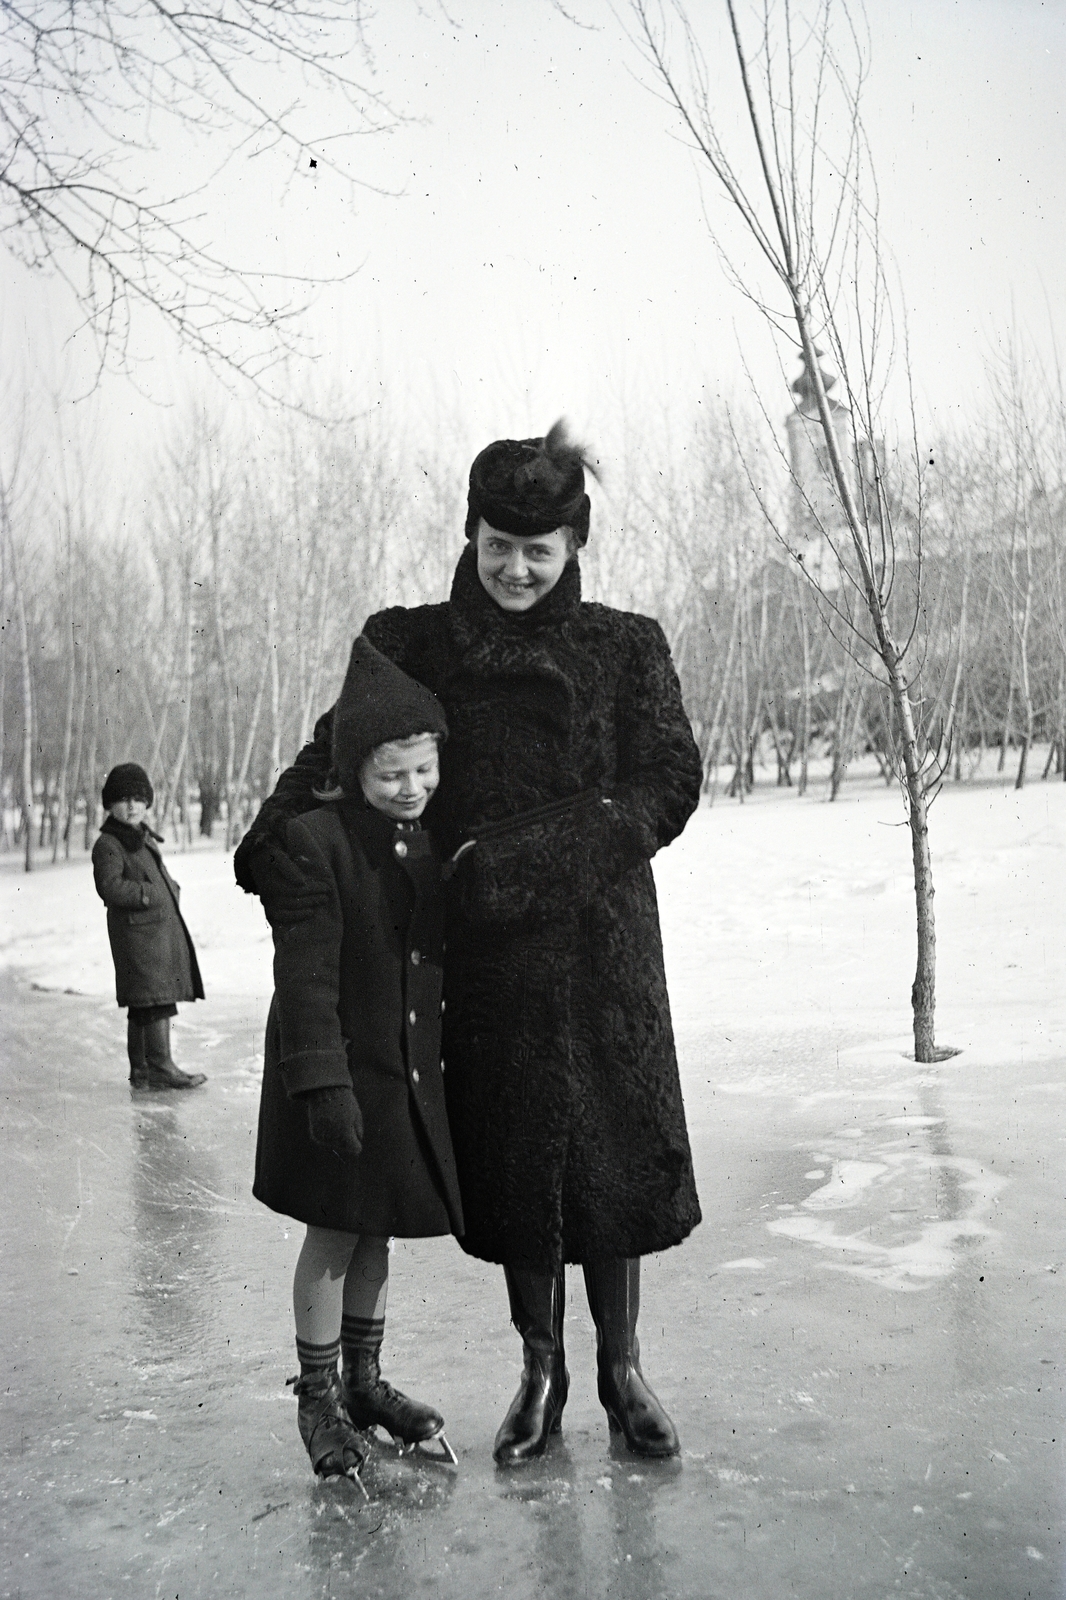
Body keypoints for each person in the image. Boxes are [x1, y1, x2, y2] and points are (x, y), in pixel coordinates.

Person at [236, 420, 702, 1465]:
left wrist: (524, 856)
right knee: (518, 1167)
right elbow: (338, 753)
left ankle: (623, 1370)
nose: (517, 568)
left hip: (603, 950)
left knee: (610, 1166)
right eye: (499, 544)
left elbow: (667, 781)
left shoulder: (627, 645)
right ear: (471, 531)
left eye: (540, 550)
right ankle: (540, 1368)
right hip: (480, 962)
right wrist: (276, 839)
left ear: (575, 544)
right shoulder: (414, 643)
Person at [254, 638, 464, 1482]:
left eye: (422, 771)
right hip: (334, 1081)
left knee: (375, 1235)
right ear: (350, 774)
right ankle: (316, 1399)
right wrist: (320, 1084)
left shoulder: (423, 840)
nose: (410, 790)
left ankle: (363, 1382)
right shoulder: (315, 841)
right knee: (333, 1236)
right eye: (389, 777)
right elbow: (303, 984)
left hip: (394, 1076)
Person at [92, 763, 207, 1090]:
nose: (132, 806)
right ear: (110, 804)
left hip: (152, 936)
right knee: (154, 1001)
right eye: (124, 799)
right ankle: (160, 1067)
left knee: (146, 1003)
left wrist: (172, 887)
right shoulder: (110, 843)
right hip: (136, 937)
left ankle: (142, 1070)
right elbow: (109, 886)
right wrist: (150, 894)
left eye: (138, 799)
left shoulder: (140, 837)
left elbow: (153, 876)